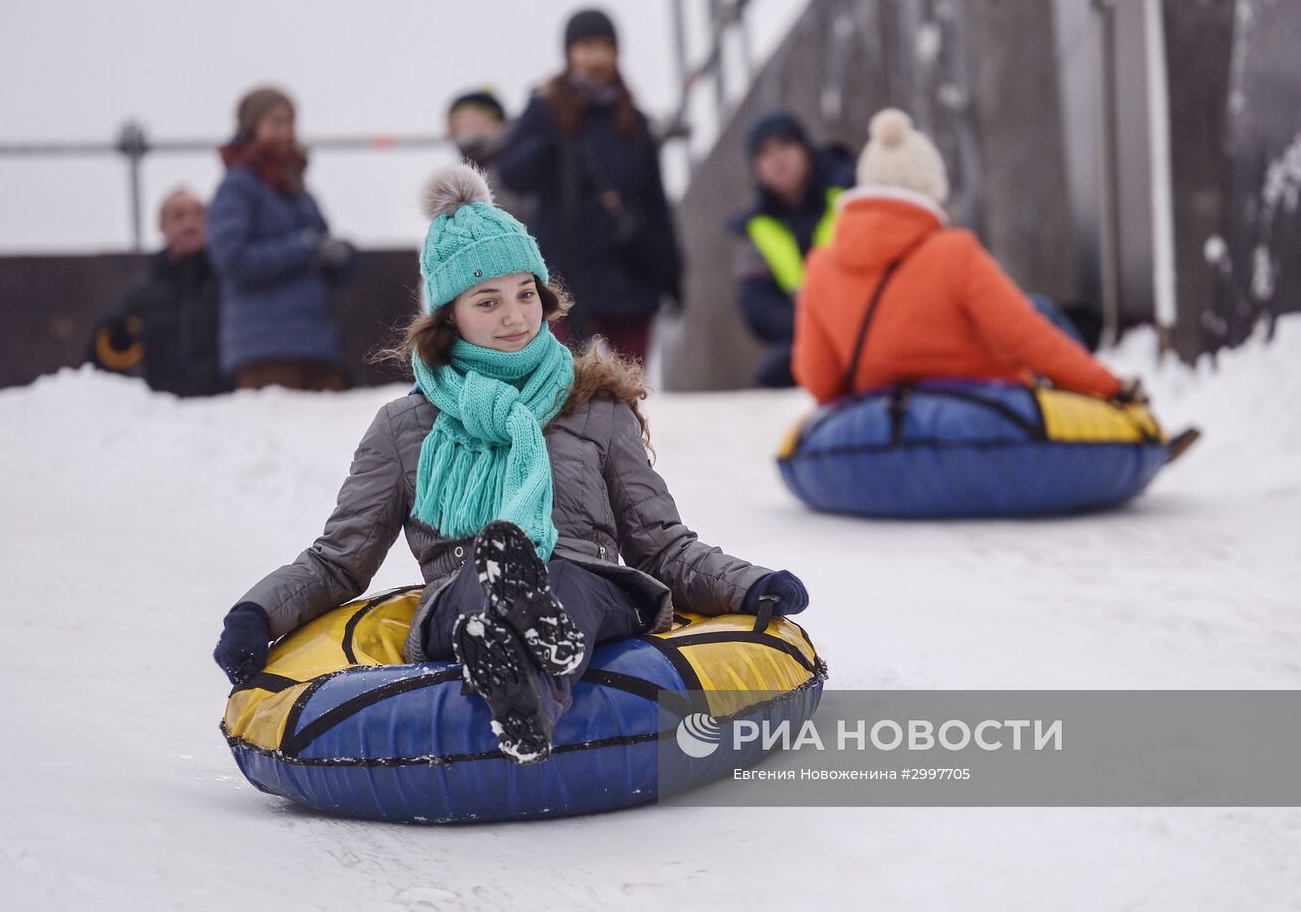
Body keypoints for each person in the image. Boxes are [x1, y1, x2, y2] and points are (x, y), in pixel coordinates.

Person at [213, 163, 808, 764]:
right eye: (488, 301)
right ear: (449, 317)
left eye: (526, 294)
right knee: (478, 584)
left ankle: (528, 681)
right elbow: (339, 560)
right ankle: (509, 648)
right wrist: (257, 612)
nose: (516, 317)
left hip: (590, 580)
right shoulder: (404, 428)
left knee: (564, 578)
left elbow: (660, 543)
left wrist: (749, 583)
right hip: (463, 593)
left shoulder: (596, 406)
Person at [793, 109, 1142, 405]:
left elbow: (819, 381)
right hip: (982, 415)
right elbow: (1028, 339)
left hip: (886, 426)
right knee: (1042, 311)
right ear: (931, 186)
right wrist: (1109, 387)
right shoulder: (955, 253)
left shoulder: (821, 265)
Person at [494, 8, 682, 363]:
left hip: (629, 279)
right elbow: (512, 174)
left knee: (630, 393)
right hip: (563, 278)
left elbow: (655, 203)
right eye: (586, 45)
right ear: (569, 52)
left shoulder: (634, 121)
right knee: (561, 389)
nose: (595, 56)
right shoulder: (546, 111)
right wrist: (547, 146)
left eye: (605, 46)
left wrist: (673, 277)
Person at [207, 86, 358, 391]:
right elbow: (231, 259)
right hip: (263, 350)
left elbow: (319, 246)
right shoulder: (237, 186)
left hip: (317, 347)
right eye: (275, 122)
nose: (286, 132)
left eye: (290, 123)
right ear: (252, 127)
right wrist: (303, 248)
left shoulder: (299, 191)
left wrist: (341, 256)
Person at [729, 110, 855, 388]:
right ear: (755, 167)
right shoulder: (756, 229)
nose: (777, 160)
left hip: (864, 321)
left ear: (805, 150)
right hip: (809, 336)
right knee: (773, 371)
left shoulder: (850, 195)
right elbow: (757, 305)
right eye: (764, 153)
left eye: (785, 146)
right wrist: (814, 328)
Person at [88, 189, 228, 396]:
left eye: (199, 214)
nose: (190, 224)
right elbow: (104, 366)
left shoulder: (230, 285)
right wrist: (115, 338)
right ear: (162, 226)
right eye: (178, 215)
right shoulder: (140, 297)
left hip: (230, 411)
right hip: (164, 415)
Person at [444, 88, 534, 226]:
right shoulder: (464, 173)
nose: (451, 130)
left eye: (458, 118)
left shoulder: (524, 157)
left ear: (490, 117)